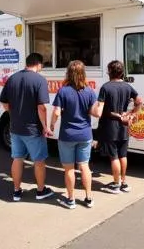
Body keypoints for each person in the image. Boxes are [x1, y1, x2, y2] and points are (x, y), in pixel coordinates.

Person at [0, 52, 55, 202]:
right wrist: (45, 127)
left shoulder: (12, 78)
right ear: (38, 64)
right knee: (39, 161)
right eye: (42, 65)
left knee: (17, 158)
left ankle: (16, 191)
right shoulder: (39, 80)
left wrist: (14, 114)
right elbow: (41, 107)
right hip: (33, 129)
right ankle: (41, 191)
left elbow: (4, 103)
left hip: (15, 128)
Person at [49, 59, 103, 208]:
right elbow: (96, 113)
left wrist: (52, 124)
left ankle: (71, 199)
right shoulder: (89, 91)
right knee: (84, 166)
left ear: (69, 73)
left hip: (67, 135)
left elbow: (56, 112)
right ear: (83, 73)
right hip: (85, 135)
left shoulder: (63, 91)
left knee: (69, 169)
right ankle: (89, 198)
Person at [96, 60, 144, 194]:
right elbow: (140, 101)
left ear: (110, 72)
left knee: (114, 157)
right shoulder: (128, 87)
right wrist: (131, 115)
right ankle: (123, 182)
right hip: (124, 127)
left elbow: (100, 109)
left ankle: (116, 185)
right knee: (123, 155)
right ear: (122, 72)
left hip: (110, 127)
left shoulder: (105, 87)